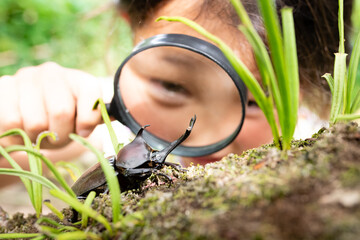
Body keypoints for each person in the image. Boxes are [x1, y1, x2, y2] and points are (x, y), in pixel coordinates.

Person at [0, 0, 354, 185]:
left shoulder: (318, 139)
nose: (204, 130)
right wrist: (22, 124)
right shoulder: (104, 122)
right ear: (132, 34)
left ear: (310, 84)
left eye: (256, 99)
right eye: (171, 86)